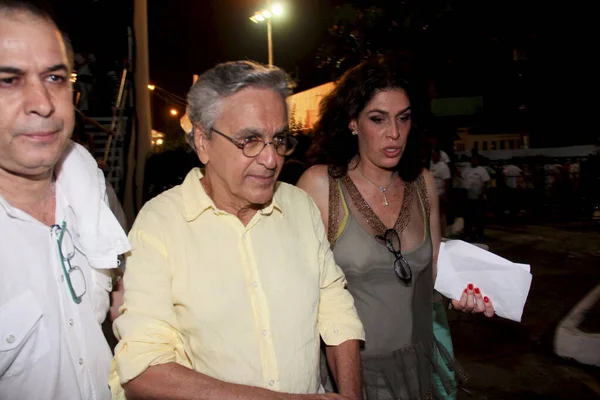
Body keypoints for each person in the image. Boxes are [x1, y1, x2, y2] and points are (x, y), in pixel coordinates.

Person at [109, 61, 365, 400]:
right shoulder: (159, 224)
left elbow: (335, 309)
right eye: (250, 140)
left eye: (279, 140)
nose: (271, 159)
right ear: (202, 141)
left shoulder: (300, 208)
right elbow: (143, 369)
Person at [297, 56, 494, 400]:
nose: (394, 133)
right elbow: (297, 294)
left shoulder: (423, 184)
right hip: (350, 375)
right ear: (352, 122)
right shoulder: (321, 186)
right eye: (378, 119)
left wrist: (466, 291)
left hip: (417, 367)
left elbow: (431, 272)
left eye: (403, 118)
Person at [0, 1, 131, 399]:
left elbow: (120, 292)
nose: (43, 102)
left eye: (55, 77)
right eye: (8, 80)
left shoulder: (83, 174)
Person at [463, 154, 491, 241]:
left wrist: (482, 193)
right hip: (469, 197)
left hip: (478, 197)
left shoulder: (482, 170)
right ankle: (469, 233)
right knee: (469, 217)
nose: (473, 162)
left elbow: (486, 182)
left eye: (475, 160)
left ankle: (479, 233)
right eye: (472, 160)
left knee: (479, 217)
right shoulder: (467, 170)